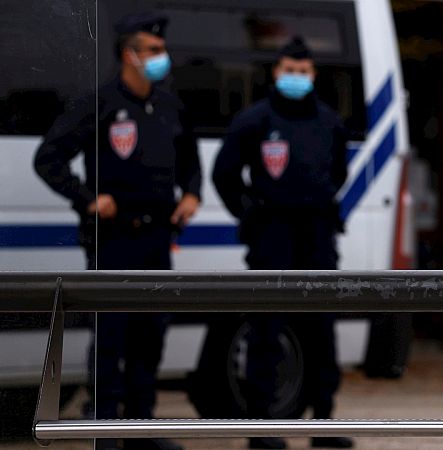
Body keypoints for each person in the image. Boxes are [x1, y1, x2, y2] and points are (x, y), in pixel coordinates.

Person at [33, 11, 201, 450]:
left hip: (157, 239)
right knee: (110, 337)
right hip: (112, 238)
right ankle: (104, 429)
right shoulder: (99, 102)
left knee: (150, 336)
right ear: (129, 55)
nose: (162, 58)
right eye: (153, 50)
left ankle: (143, 428)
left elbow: (191, 165)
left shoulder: (170, 105)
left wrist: (192, 195)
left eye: (162, 50)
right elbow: (48, 159)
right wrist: (87, 197)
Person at [212, 36, 353, 449]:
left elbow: (338, 173)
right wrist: (250, 214)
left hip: (317, 235)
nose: (296, 78)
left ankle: (324, 421)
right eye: (289, 71)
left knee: (321, 329)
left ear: (314, 75)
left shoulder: (329, 121)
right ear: (276, 72)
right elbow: (225, 175)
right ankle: (263, 425)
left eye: (304, 72)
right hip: (272, 235)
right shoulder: (254, 120)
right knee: (267, 329)